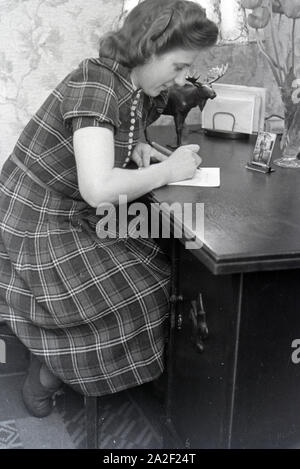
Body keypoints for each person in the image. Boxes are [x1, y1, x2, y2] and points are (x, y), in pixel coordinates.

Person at [0, 0, 218, 418]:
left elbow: (102, 140)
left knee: (157, 259)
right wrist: (170, 168)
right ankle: (46, 373)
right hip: (34, 219)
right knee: (144, 287)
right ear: (148, 47)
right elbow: (99, 188)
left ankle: (73, 365)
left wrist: (132, 145)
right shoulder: (95, 81)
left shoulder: (128, 85)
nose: (178, 78)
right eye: (176, 66)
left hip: (66, 212)